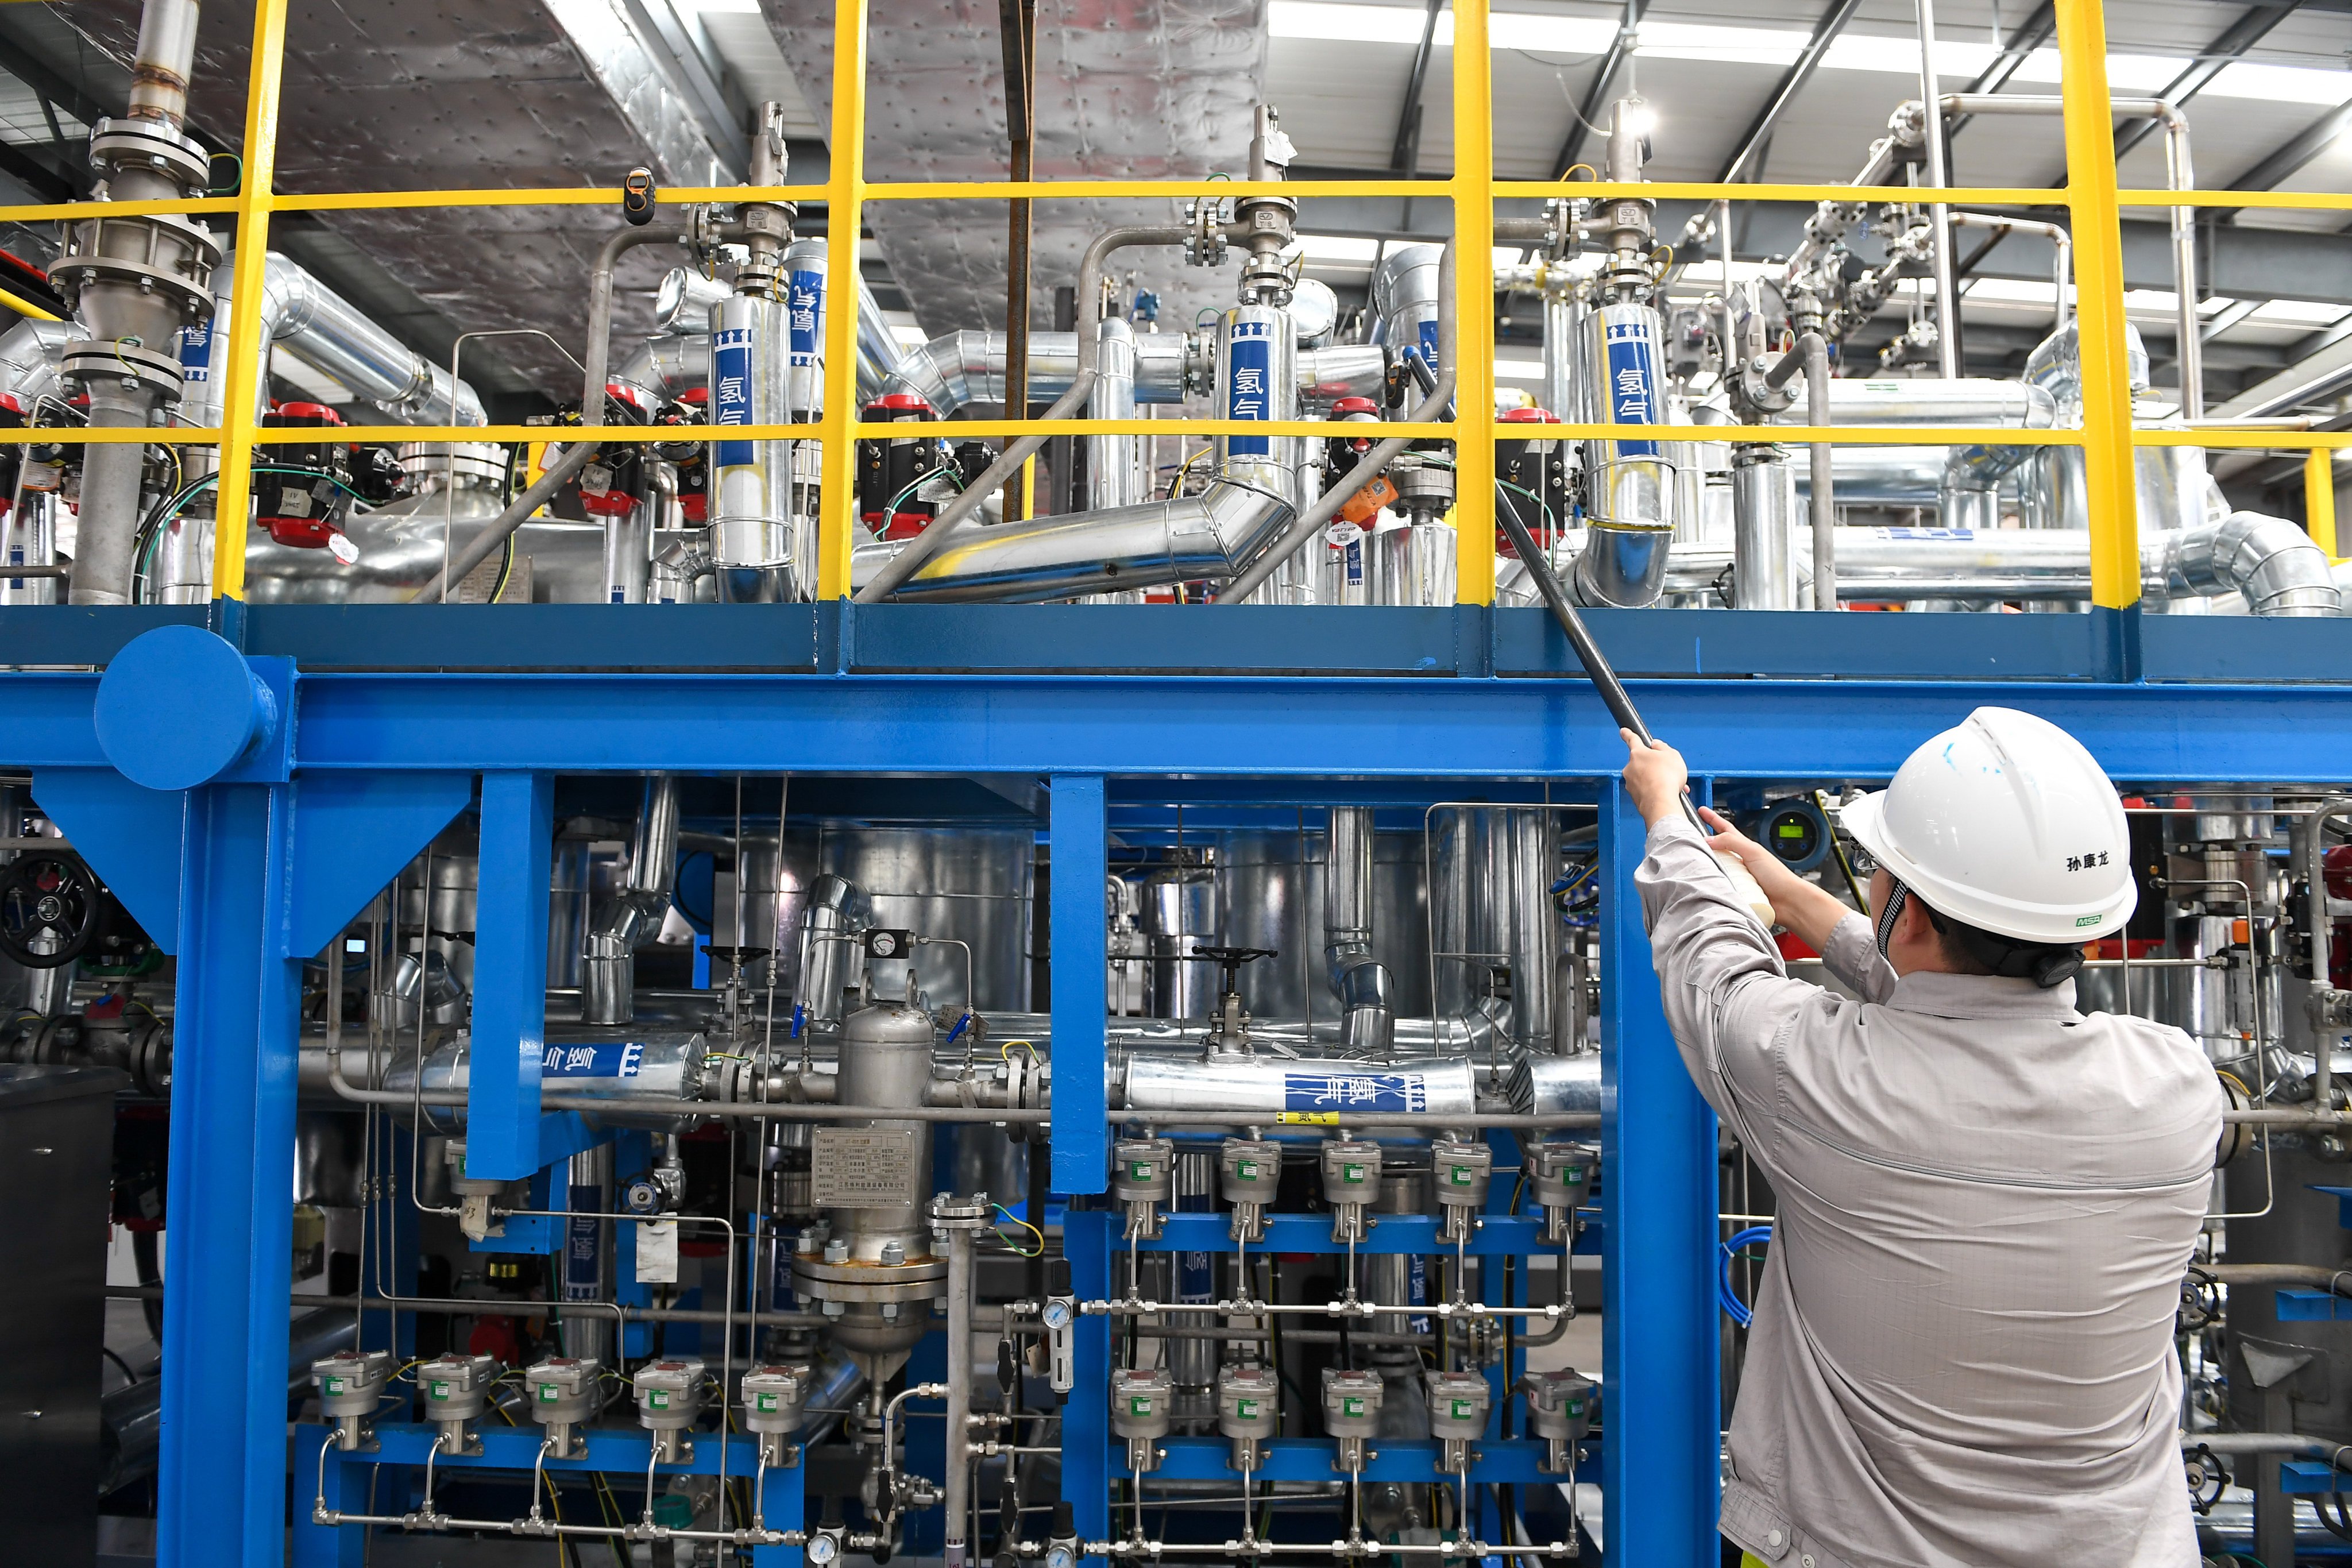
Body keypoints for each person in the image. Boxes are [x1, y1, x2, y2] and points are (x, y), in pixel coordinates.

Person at [1619, 706, 2222, 1568]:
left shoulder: (1815, 1073)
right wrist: (1788, 895)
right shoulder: (2177, 1089)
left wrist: (1664, 812)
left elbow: (1712, 964)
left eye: (1879, 870)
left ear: (1907, 916)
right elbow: (1956, 1012)